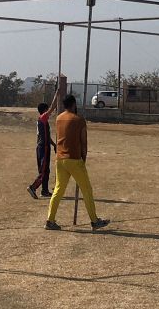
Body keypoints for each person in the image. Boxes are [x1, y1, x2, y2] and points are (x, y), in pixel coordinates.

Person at [45, 94, 110, 231]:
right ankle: (94, 220)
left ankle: (50, 220)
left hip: (60, 159)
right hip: (74, 159)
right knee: (86, 190)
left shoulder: (58, 118)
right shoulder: (79, 120)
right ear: (74, 104)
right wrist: (83, 158)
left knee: (58, 190)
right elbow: (84, 142)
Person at [27, 87, 59, 199]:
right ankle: (33, 187)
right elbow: (53, 107)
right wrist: (57, 94)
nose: (49, 113)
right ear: (44, 110)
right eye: (47, 111)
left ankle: (44, 190)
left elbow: (46, 136)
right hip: (43, 147)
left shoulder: (42, 120)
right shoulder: (43, 117)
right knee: (44, 170)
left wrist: (54, 145)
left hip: (43, 146)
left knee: (46, 170)